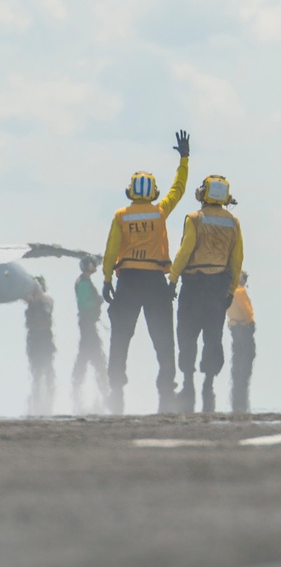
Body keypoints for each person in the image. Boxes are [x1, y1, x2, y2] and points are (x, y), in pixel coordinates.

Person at [102, 130, 190, 414]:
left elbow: (110, 250)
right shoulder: (160, 212)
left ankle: (116, 388)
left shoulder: (121, 216)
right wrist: (184, 159)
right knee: (164, 337)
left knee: (120, 335)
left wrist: (105, 279)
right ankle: (166, 389)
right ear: (153, 193)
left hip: (128, 281)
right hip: (155, 281)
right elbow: (178, 190)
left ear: (130, 191)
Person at [169, 175, 243, 413]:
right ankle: (208, 386)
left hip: (193, 285)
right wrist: (230, 290)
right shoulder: (233, 222)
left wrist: (172, 279)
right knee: (213, 337)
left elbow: (184, 251)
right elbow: (237, 260)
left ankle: (188, 384)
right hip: (218, 288)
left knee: (187, 334)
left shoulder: (194, 218)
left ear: (203, 193)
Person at [72, 255, 110, 413]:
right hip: (88, 326)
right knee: (94, 358)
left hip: (88, 325)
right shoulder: (83, 283)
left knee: (87, 357)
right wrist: (98, 301)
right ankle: (103, 392)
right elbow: (83, 303)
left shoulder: (83, 282)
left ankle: (80, 389)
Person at [25, 276, 56, 415]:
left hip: (43, 337)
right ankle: (37, 402)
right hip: (36, 338)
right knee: (37, 372)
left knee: (47, 370)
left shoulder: (45, 300)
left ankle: (49, 401)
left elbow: (47, 307)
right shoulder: (32, 301)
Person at [227, 270, 256, 413]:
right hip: (243, 328)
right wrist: (250, 320)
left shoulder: (231, 291)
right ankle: (241, 400)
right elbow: (247, 312)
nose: (246, 280)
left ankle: (238, 399)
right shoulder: (239, 292)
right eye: (245, 277)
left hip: (236, 328)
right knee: (245, 360)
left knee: (238, 360)